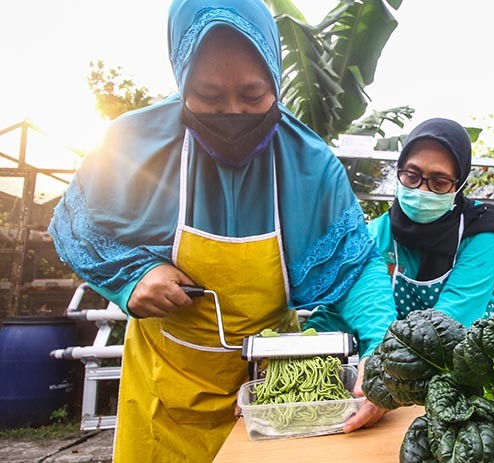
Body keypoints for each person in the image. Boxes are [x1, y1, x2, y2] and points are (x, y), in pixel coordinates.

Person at [48, 0, 395, 460]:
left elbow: (356, 267)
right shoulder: (130, 144)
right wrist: (131, 279)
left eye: (254, 97)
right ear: (181, 74)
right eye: (209, 97)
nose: (233, 113)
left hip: (273, 392)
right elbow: (79, 230)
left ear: (274, 77)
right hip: (162, 394)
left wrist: (383, 352)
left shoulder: (310, 164)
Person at [366, 118, 494, 325]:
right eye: (412, 176)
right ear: (399, 171)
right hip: (400, 350)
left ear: (459, 185)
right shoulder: (376, 233)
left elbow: (455, 315)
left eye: (439, 183)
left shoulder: (483, 229)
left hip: (479, 350)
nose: (421, 190)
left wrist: (388, 351)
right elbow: (360, 304)